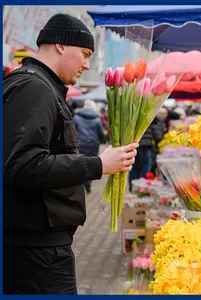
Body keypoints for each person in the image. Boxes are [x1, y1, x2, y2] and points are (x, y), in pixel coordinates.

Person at [3, 14, 138, 295]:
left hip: (38, 246)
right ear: (61, 46)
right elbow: (22, 165)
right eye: (85, 54)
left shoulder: (41, 87)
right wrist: (97, 165)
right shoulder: (33, 88)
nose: (87, 64)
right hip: (35, 253)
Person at [72, 99, 105, 193]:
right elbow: (101, 134)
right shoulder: (97, 119)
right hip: (93, 145)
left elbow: (72, 132)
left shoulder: (77, 117)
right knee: (91, 163)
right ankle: (88, 184)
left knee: (80, 163)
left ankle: (81, 184)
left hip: (80, 144)